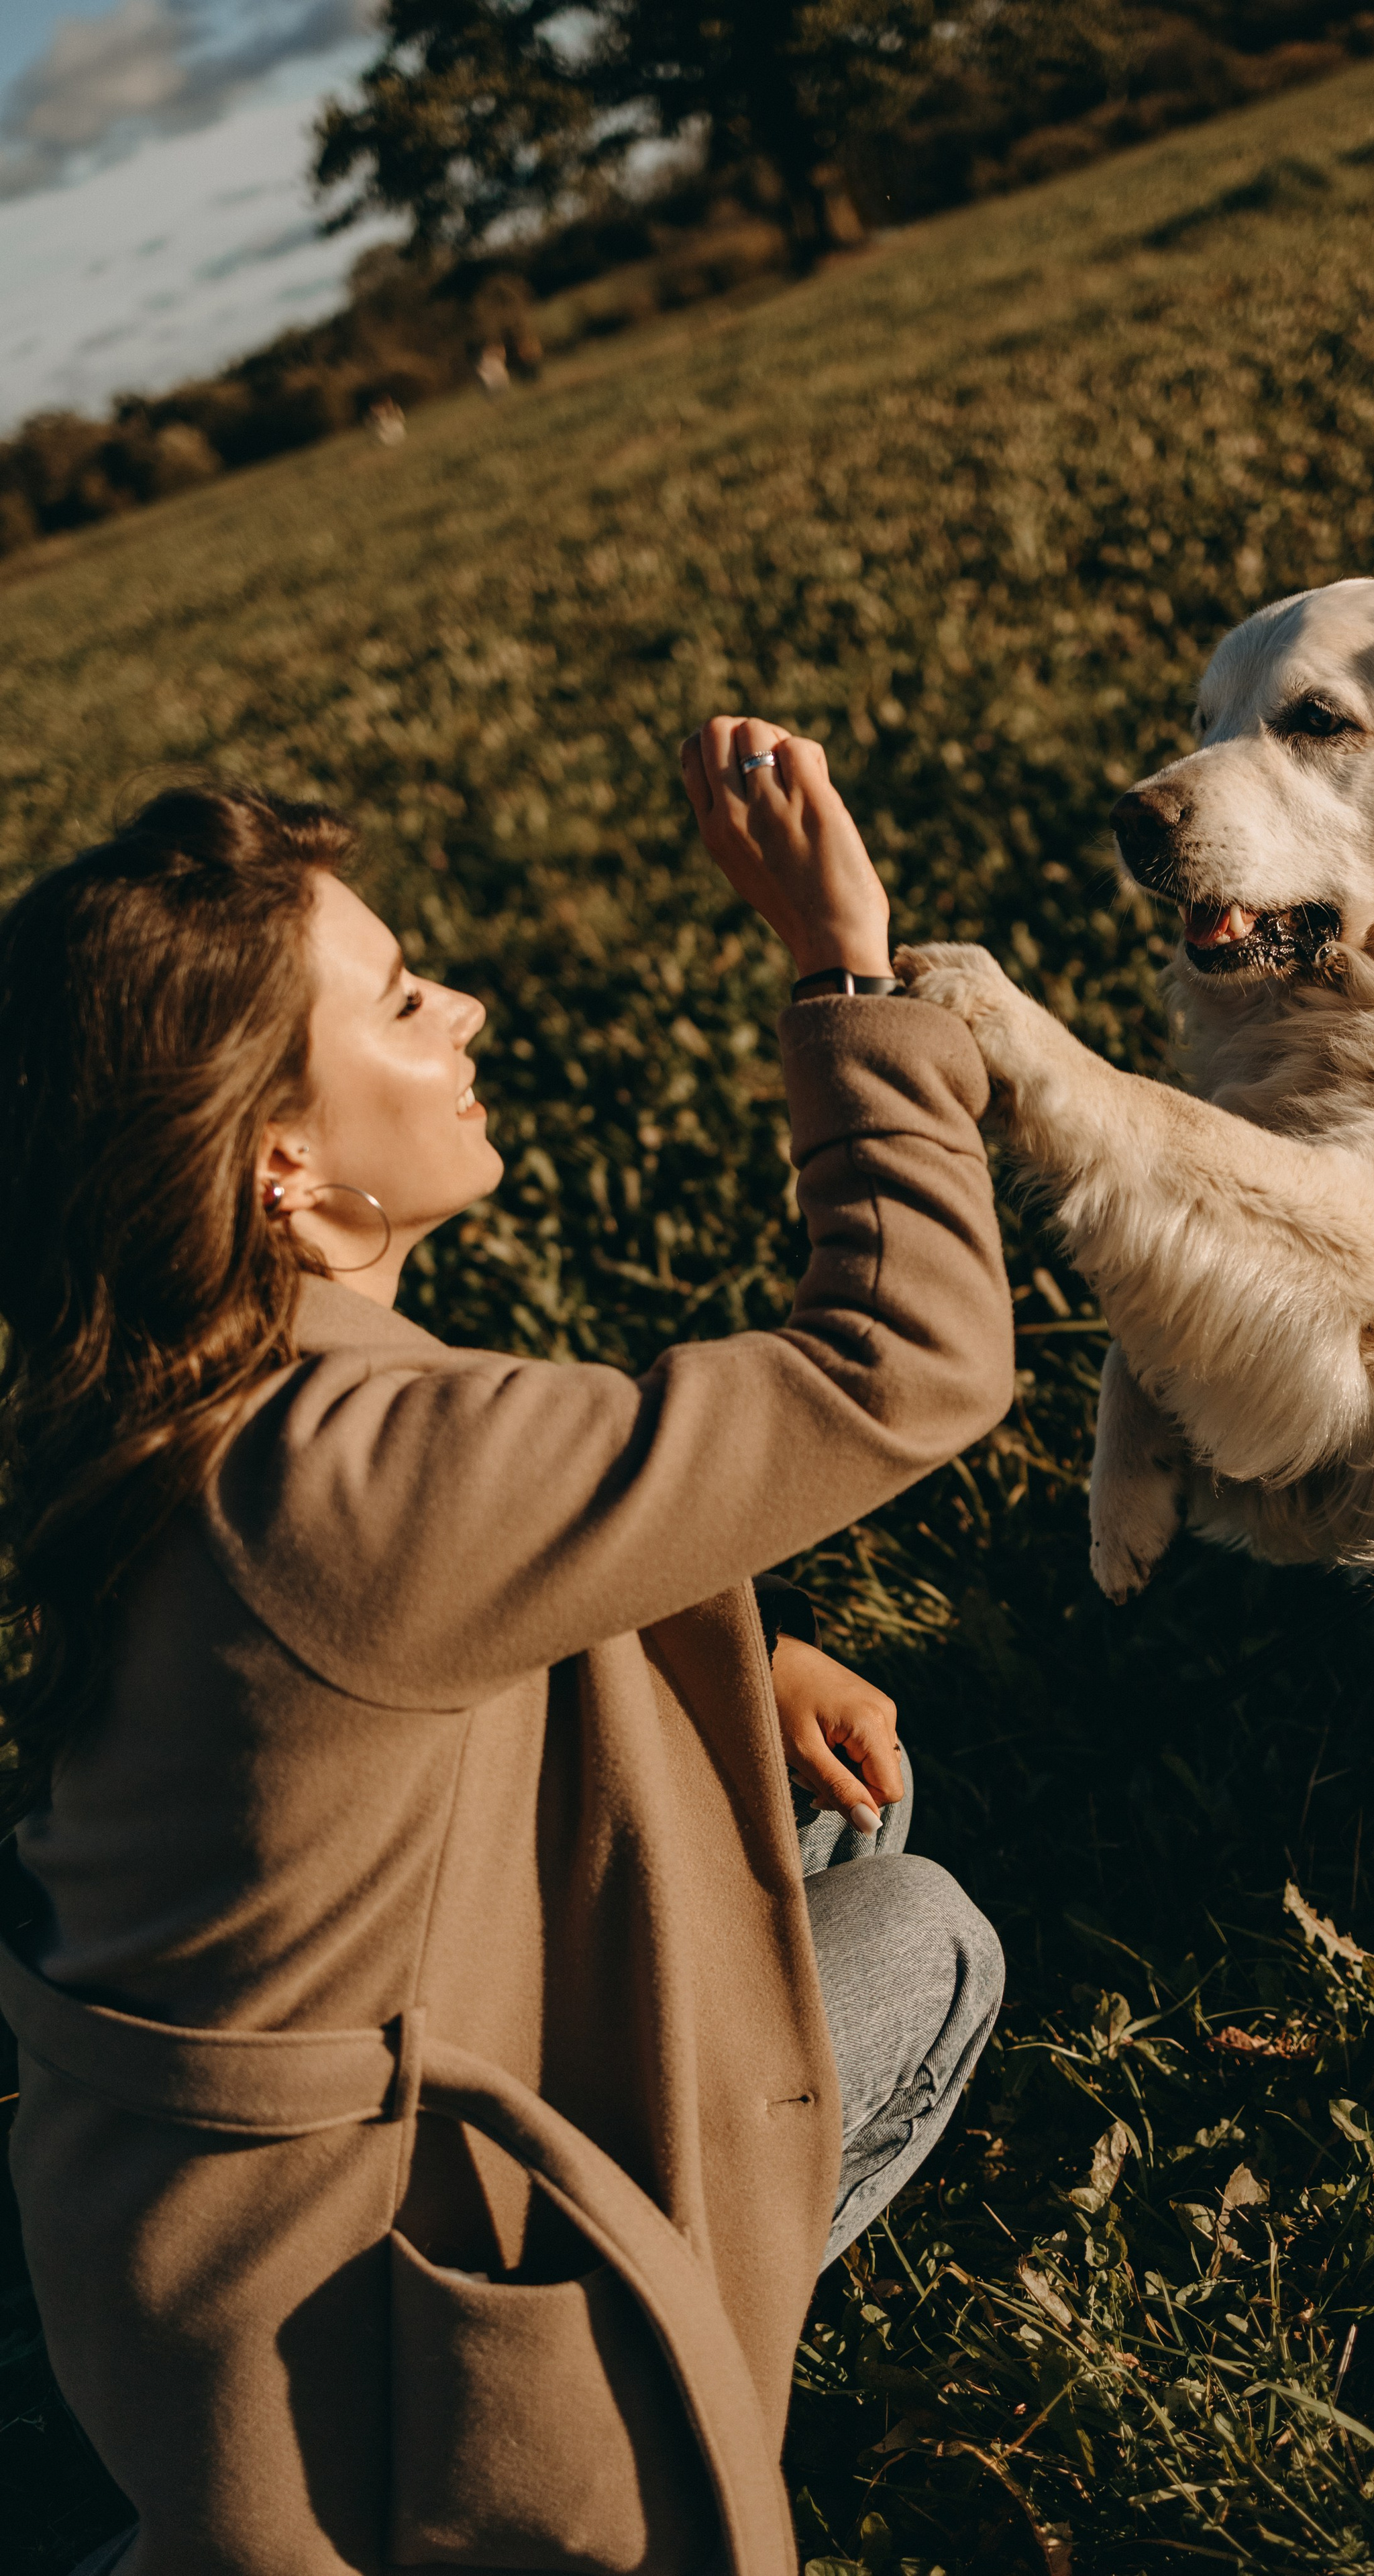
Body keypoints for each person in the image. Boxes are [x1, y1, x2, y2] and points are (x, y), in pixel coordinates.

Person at [0, 725, 1013, 2576]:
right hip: (359, 2339)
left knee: (826, 1832)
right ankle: (637, 2417)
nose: (461, 1011)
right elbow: (903, 1367)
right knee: (927, 1938)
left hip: (171, 2260)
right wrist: (841, 969)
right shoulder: (359, 1477)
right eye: (398, 1003)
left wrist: (711, 1659)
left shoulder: (170, 1404)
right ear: (283, 1169)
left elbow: (371, 1653)